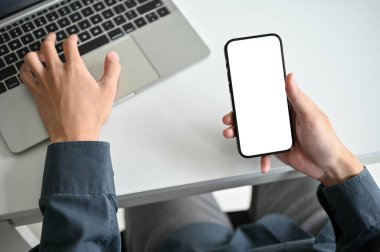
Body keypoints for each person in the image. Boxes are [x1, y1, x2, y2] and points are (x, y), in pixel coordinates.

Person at [23, 33, 379, 251]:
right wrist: (338, 168)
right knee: (278, 151)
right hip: (329, 238)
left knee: (153, 167)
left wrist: (75, 135)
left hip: (192, 247)